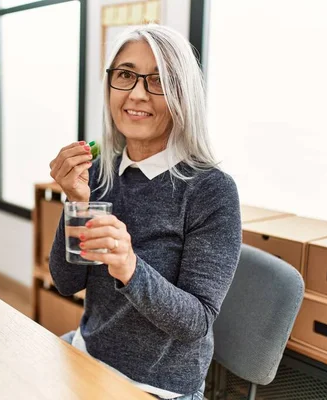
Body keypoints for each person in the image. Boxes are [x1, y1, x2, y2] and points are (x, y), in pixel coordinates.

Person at [48, 24, 241, 400]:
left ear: (183, 96)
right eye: (125, 75)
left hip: (157, 389)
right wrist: (74, 202)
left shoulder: (212, 191)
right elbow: (66, 281)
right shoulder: (101, 172)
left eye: (158, 80)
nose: (137, 93)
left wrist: (129, 267)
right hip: (88, 358)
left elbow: (195, 322)